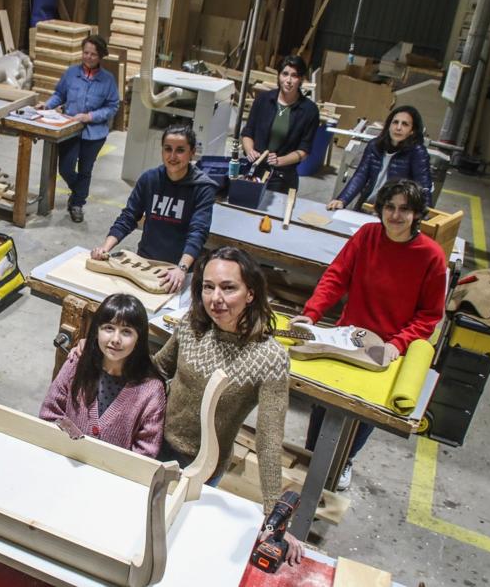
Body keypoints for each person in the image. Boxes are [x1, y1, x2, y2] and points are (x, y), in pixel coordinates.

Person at [68, 246, 302, 564]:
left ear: (251, 293)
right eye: (208, 286)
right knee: (126, 534)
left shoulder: (269, 357)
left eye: (228, 287)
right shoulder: (193, 325)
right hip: (153, 444)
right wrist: (98, 355)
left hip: (202, 469)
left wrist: (275, 518)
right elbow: (159, 368)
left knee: (172, 545)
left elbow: (269, 438)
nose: (215, 298)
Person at [294, 180, 446, 490]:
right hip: (347, 336)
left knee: (363, 412)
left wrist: (398, 344)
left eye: (404, 209)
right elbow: (336, 276)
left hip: (388, 348)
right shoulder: (366, 236)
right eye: (390, 207)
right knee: (323, 399)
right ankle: (311, 456)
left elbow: (429, 315)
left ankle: (344, 461)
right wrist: (311, 313)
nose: (395, 215)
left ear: (417, 214)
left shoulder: (431, 256)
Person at [91, 124, 216, 294]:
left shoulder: (203, 188)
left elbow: (198, 232)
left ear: (192, 152)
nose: (172, 156)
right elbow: (128, 217)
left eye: (180, 150)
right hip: (145, 262)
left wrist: (181, 268)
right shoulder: (149, 179)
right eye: (167, 149)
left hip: (180, 268)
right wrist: (105, 248)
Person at [40, 293, 166, 457]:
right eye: (109, 328)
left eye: (126, 332)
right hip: (66, 459)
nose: (115, 339)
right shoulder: (76, 364)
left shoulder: (151, 391)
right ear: (97, 330)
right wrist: (75, 446)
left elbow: (145, 453)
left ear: (139, 339)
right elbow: (50, 414)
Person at [39, 34, 120, 223]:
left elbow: (112, 106)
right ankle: (79, 192)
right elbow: (60, 94)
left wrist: (90, 116)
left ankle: (77, 204)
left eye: (93, 54)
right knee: (65, 168)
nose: (88, 57)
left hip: (95, 134)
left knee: (85, 170)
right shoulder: (71, 73)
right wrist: (47, 105)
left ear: (100, 56)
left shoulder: (108, 80)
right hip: (69, 129)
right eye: (85, 53)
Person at [327, 105, 433, 211]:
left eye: (405, 124)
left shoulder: (417, 152)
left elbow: (423, 187)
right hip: (367, 205)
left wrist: (425, 216)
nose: (398, 127)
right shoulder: (374, 145)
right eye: (395, 122)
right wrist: (342, 200)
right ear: (389, 126)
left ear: (412, 131)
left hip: (395, 211)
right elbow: (360, 175)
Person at [241, 55, 321, 193]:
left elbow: (304, 151)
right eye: (285, 74)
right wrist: (250, 151)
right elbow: (248, 132)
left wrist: (280, 160)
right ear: (279, 76)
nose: (288, 80)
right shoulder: (263, 100)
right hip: (254, 170)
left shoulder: (309, 111)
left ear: (301, 79)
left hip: (283, 177)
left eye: (294, 76)